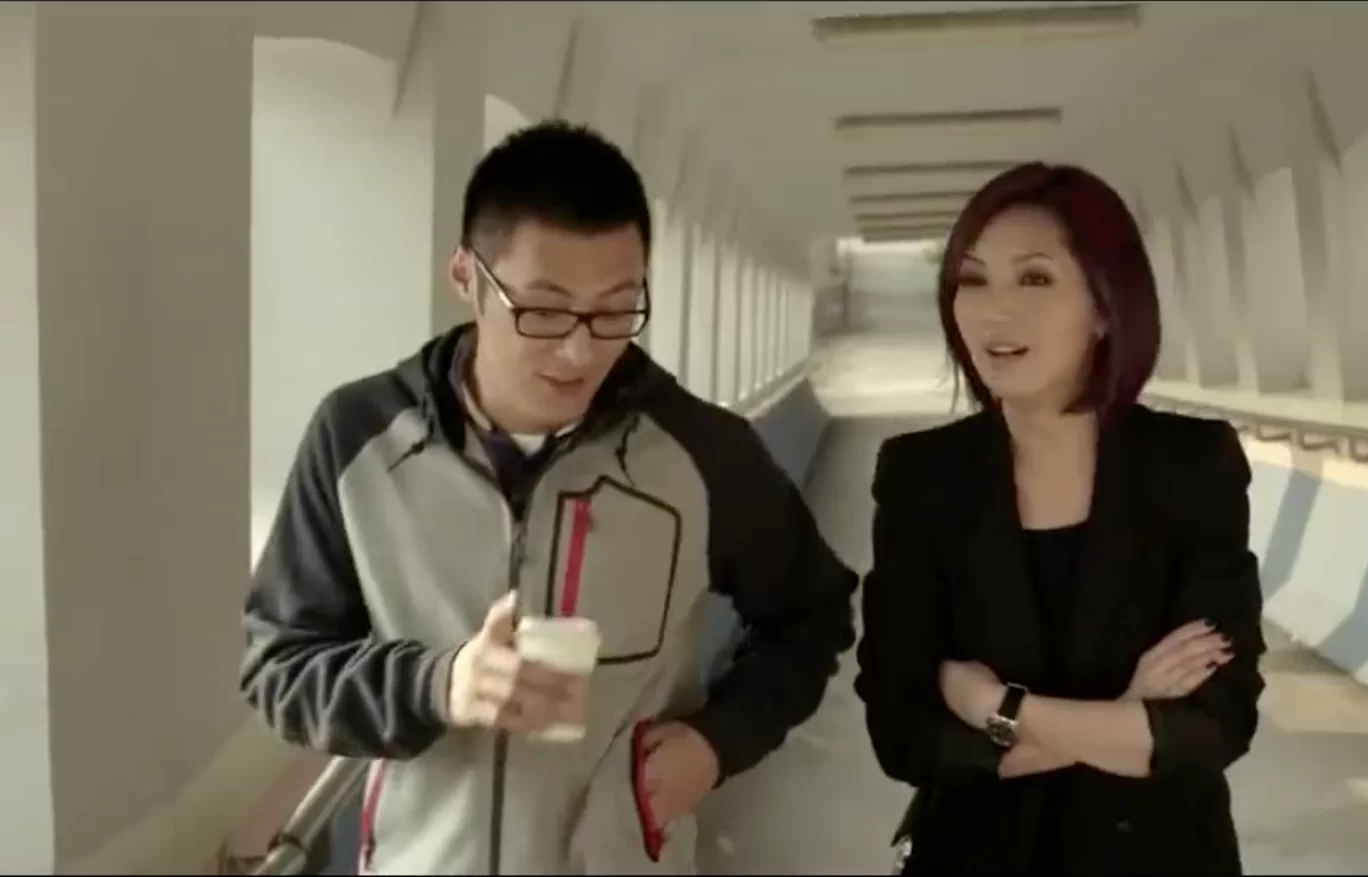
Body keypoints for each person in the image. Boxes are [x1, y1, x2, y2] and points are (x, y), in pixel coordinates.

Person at [238, 120, 857, 875]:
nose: (580, 349)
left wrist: (717, 742)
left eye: (615, 308)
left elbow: (812, 613)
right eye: (544, 309)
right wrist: (437, 684)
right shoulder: (357, 439)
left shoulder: (701, 452)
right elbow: (281, 667)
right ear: (466, 277)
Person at [852, 162, 1266, 875]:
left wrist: (996, 705)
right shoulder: (923, 477)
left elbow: (1214, 725)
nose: (994, 311)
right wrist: (1126, 713)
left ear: (1106, 306)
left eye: (1035, 279)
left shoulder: (1190, 466)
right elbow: (904, 733)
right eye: (973, 280)